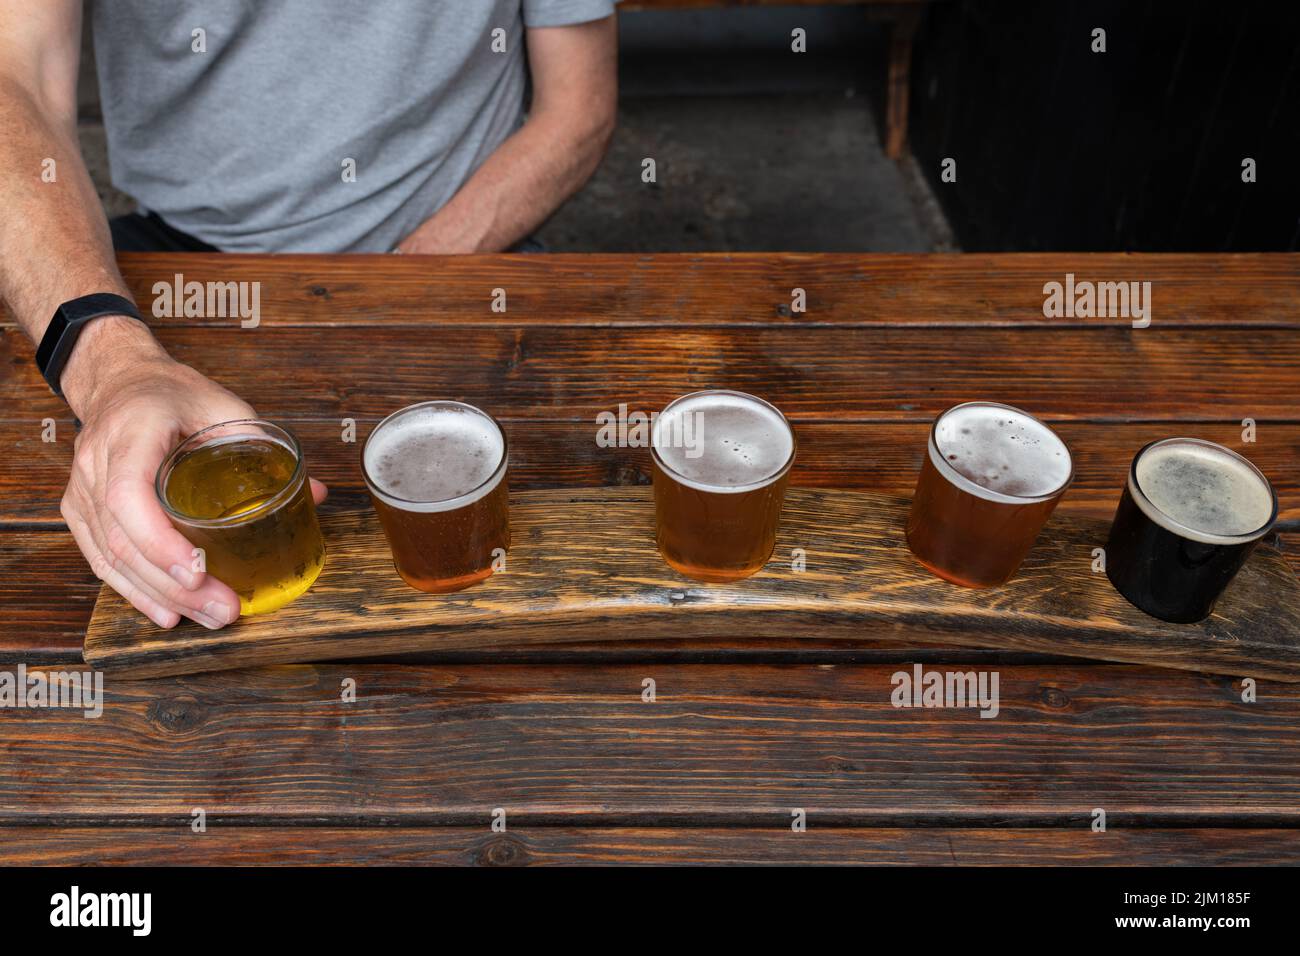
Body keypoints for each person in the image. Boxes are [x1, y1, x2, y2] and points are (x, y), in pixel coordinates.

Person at [0, 0, 618, 631]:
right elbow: (12, 75)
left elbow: (577, 109)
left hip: (463, 251)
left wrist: (405, 275)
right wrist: (110, 368)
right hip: (179, 256)